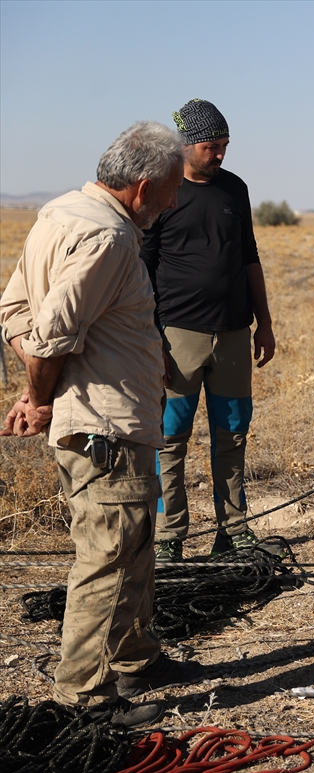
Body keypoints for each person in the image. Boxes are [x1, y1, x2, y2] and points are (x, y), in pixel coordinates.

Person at [0, 122, 205, 727]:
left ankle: (136, 657)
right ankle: (85, 698)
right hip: (103, 426)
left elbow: (13, 309)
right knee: (108, 557)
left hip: (115, 421)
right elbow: (53, 331)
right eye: (169, 191)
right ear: (142, 187)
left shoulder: (61, 213)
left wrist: (41, 382)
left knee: (134, 546)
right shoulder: (109, 236)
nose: (172, 203)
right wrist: (39, 396)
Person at [141, 99, 276, 562]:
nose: (220, 155)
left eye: (224, 146)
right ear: (184, 146)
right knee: (170, 438)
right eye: (211, 147)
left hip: (235, 334)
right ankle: (169, 536)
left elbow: (249, 256)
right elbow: (144, 265)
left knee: (232, 434)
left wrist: (265, 323)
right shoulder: (163, 191)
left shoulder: (234, 189)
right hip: (177, 336)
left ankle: (233, 528)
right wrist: (151, 336)